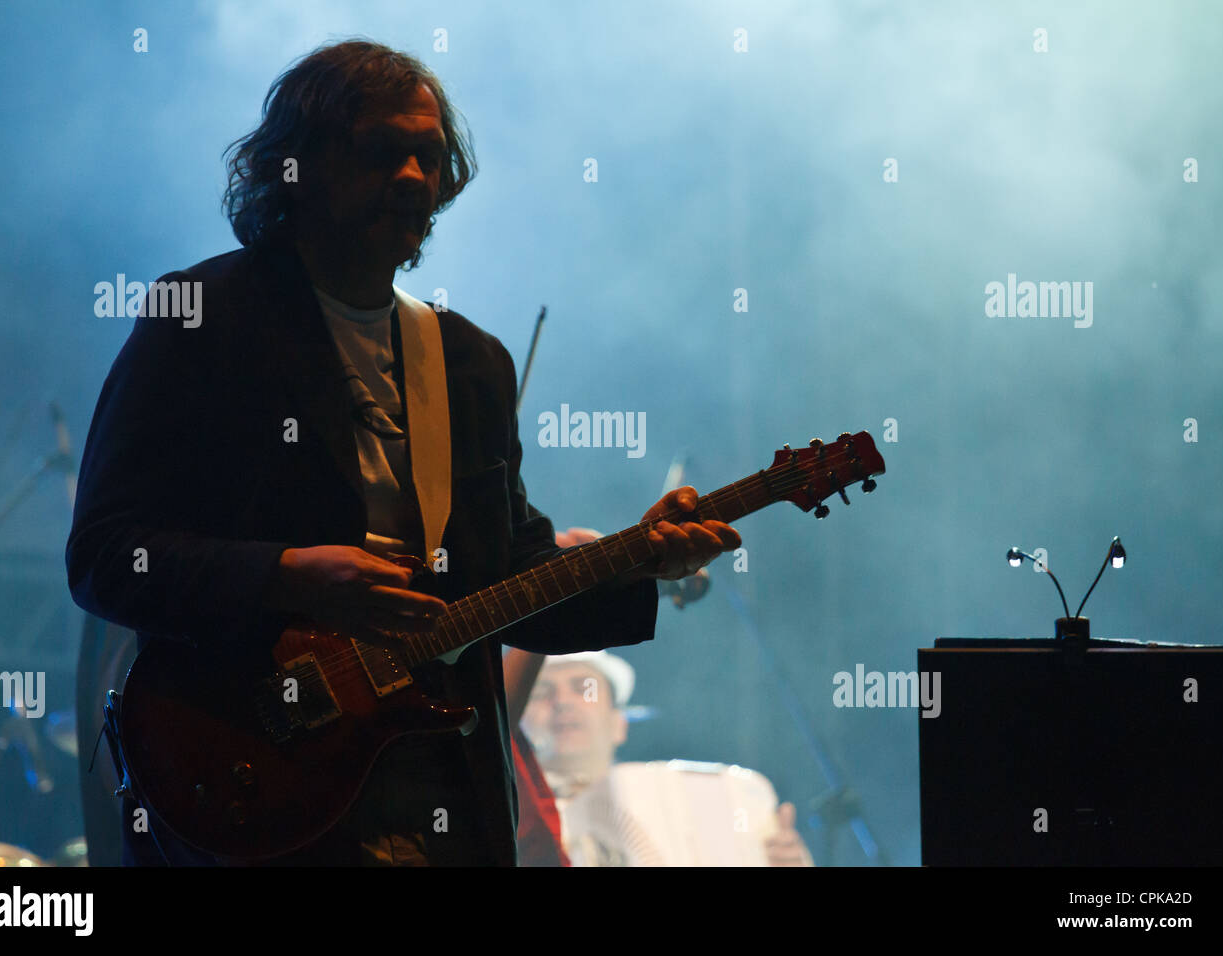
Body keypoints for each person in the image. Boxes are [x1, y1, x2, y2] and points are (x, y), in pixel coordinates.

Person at [64, 39, 739, 866]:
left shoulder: (468, 361)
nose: (416, 179)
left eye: (432, 157)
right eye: (383, 153)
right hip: (252, 775)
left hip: (440, 795)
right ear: (297, 169)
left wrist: (642, 566)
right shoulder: (202, 317)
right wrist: (287, 574)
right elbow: (105, 556)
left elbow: (508, 580)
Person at [515, 644, 813, 866]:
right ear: (514, 721)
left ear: (619, 724)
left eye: (584, 689)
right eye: (542, 692)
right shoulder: (502, 821)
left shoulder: (711, 793)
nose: (562, 703)